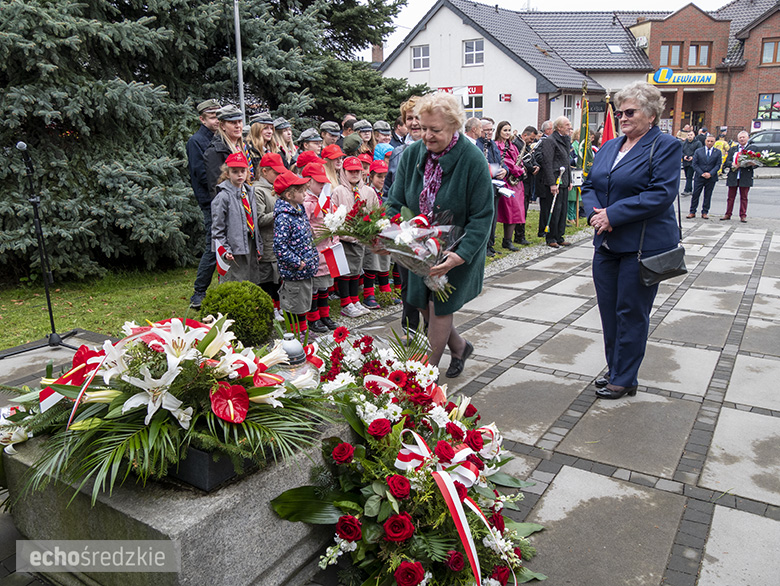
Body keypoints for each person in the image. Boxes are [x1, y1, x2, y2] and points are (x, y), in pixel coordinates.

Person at [582, 81, 682, 400]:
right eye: (619, 111)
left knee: (632, 313)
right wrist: (594, 214)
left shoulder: (665, 145)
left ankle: (625, 378)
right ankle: (617, 371)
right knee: (609, 312)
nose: (622, 116)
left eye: (629, 111)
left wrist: (613, 214)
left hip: (640, 247)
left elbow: (661, 193)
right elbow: (588, 185)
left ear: (651, 115)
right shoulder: (610, 146)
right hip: (606, 245)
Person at [385, 92, 493, 378]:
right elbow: (394, 200)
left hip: (457, 247)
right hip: (418, 245)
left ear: (454, 127)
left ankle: (425, 374)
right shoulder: (412, 154)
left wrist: (459, 255)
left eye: (436, 130)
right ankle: (459, 347)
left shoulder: (472, 159)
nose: (428, 137)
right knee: (421, 301)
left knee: (439, 304)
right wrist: (388, 232)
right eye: (423, 128)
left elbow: (483, 215)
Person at [330, 156, 380, 318]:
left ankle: (354, 299)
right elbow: (334, 215)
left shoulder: (368, 191)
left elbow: (375, 212)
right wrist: (347, 234)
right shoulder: (338, 191)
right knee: (346, 272)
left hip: (362, 238)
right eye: (350, 171)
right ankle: (346, 302)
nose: (354, 174)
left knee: (357, 270)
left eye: (357, 171)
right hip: (345, 238)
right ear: (343, 172)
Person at [273, 170, 319, 336]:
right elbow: (280, 246)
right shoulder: (283, 217)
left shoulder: (298, 210)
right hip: (294, 270)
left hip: (305, 267)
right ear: (290, 194)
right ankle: (295, 334)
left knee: (303, 301)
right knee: (294, 302)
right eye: (301, 191)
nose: (305, 194)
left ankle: (303, 330)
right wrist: (297, 263)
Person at [187, 99, 220, 310]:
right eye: (212, 117)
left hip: (224, 197)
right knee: (213, 245)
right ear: (202, 119)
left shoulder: (220, 138)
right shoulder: (196, 141)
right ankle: (199, 291)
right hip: (211, 200)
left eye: (218, 116)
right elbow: (201, 173)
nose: (217, 120)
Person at [210, 152, 262, 285]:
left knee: (251, 281)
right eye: (235, 171)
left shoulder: (249, 193)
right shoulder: (223, 197)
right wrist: (224, 250)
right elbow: (217, 229)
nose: (239, 175)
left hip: (250, 245)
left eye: (242, 171)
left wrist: (258, 246)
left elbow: (254, 221)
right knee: (235, 282)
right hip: (233, 248)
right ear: (227, 174)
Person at [302, 162, 340, 332]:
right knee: (315, 286)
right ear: (308, 181)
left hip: (327, 247)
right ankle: (313, 317)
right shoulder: (306, 202)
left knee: (325, 284)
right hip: (314, 248)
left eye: (323, 182)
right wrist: (320, 232)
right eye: (318, 182)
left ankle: (325, 315)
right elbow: (306, 224)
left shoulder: (325, 199)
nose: (322, 185)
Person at [254, 152, 287, 320]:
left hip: (279, 241)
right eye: (276, 172)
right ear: (265, 171)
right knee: (267, 276)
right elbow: (259, 219)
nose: (279, 175)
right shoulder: (258, 191)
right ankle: (270, 308)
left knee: (277, 276)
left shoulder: (277, 189)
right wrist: (280, 213)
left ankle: (278, 306)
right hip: (267, 242)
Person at [537, 116, 573, 248]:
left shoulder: (566, 139)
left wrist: (570, 180)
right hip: (554, 180)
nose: (570, 127)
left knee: (563, 210)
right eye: (567, 124)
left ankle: (559, 236)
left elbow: (566, 162)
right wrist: (552, 183)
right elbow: (547, 163)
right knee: (554, 210)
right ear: (559, 127)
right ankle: (551, 237)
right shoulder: (551, 141)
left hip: (564, 179)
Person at [476, 117, 507, 256]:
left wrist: (504, 170)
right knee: (486, 217)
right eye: (486, 130)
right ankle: (484, 247)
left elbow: (500, 161)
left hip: (496, 185)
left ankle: (491, 244)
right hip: (484, 185)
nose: (489, 133)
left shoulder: (492, 144)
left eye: (491, 130)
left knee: (493, 217)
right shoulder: (477, 144)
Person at [494, 121, 526, 251]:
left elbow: (519, 159)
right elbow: (506, 162)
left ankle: (508, 240)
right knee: (508, 212)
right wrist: (519, 171)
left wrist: (522, 168)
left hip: (516, 183)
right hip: (507, 181)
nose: (507, 133)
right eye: (505, 130)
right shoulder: (497, 145)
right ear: (499, 131)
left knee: (516, 212)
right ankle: (505, 240)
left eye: (509, 130)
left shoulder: (512, 145)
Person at [720, 131, 754, 222]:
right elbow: (726, 162)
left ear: (747, 138)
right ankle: (728, 214)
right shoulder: (733, 149)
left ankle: (743, 215)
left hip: (745, 175)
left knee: (744, 197)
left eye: (744, 137)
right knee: (730, 197)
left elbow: (757, 163)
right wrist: (732, 164)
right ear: (738, 139)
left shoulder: (752, 148)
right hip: (733, 175)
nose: (742, 139)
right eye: (740, 137)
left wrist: (750, 164)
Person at [513, 125, 538, 245]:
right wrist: (531, 168)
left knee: (525, 208)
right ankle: (518, 235)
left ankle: (520, 234)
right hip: (522, 181)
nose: (532, 141)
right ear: (524, 135)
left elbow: (532, 157)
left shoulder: (526, 146)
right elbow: (520, 160)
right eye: (531, 139)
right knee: (521, 209)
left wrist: (536, 165)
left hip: (528, 180)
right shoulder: (517, 144)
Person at [688, 135, 721, 219]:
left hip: (711, 177)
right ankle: (692, 211)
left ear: (714, 142)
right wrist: (701, 173)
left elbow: (718, 165)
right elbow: (694, 164)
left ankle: (705, 212)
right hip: (699, 176)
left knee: (708, 195)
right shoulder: (698, 151)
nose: (709, 143)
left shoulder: (717, 152)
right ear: (705, 141)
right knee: (695, 194)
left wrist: (710, 174)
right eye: (708, 141)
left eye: (711, 141)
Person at [245, 111, 275, 179]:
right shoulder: (247, 148)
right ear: (256, 129)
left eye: (271, 128)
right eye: (265, 128)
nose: (270, 131)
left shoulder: (274, 149)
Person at [681, 131, 702, 195]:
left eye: (691, 135)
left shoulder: (698, 143)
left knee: (689, 176)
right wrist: (684, 156)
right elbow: (681, 151)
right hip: (685, 162)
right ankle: (690, 189)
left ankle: (686, 190)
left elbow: (699, 152)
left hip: (693, 163)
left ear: (694, 136)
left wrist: (693, 157)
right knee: (687, 176)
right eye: (688, 135)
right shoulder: (684, 143)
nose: (690, 136)